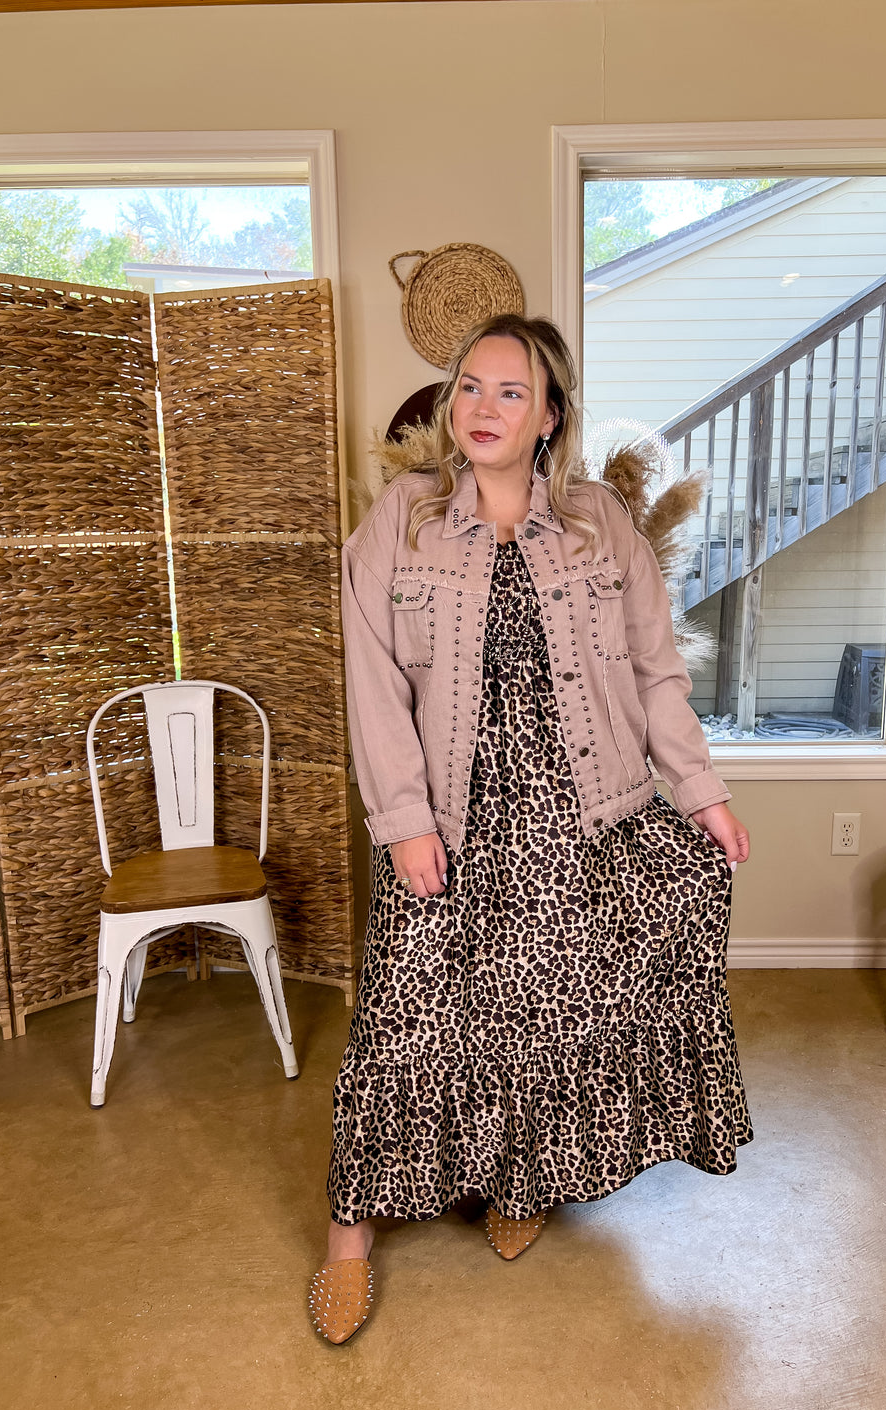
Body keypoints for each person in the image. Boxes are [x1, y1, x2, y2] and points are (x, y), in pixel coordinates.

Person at [308, 314, 752, 1345]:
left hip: (578, 814)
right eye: (470, 387)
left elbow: (655, 672)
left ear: (550, 415)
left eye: (512, 392)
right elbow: (370, 683)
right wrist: (404, 822)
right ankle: (348, 1238)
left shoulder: (600, 524)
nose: (484, 409)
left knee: (544, 1017)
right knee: (406, 1019)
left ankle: (523, 1181)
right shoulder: (404, 521)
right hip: (452, 817)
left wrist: (701, 793)